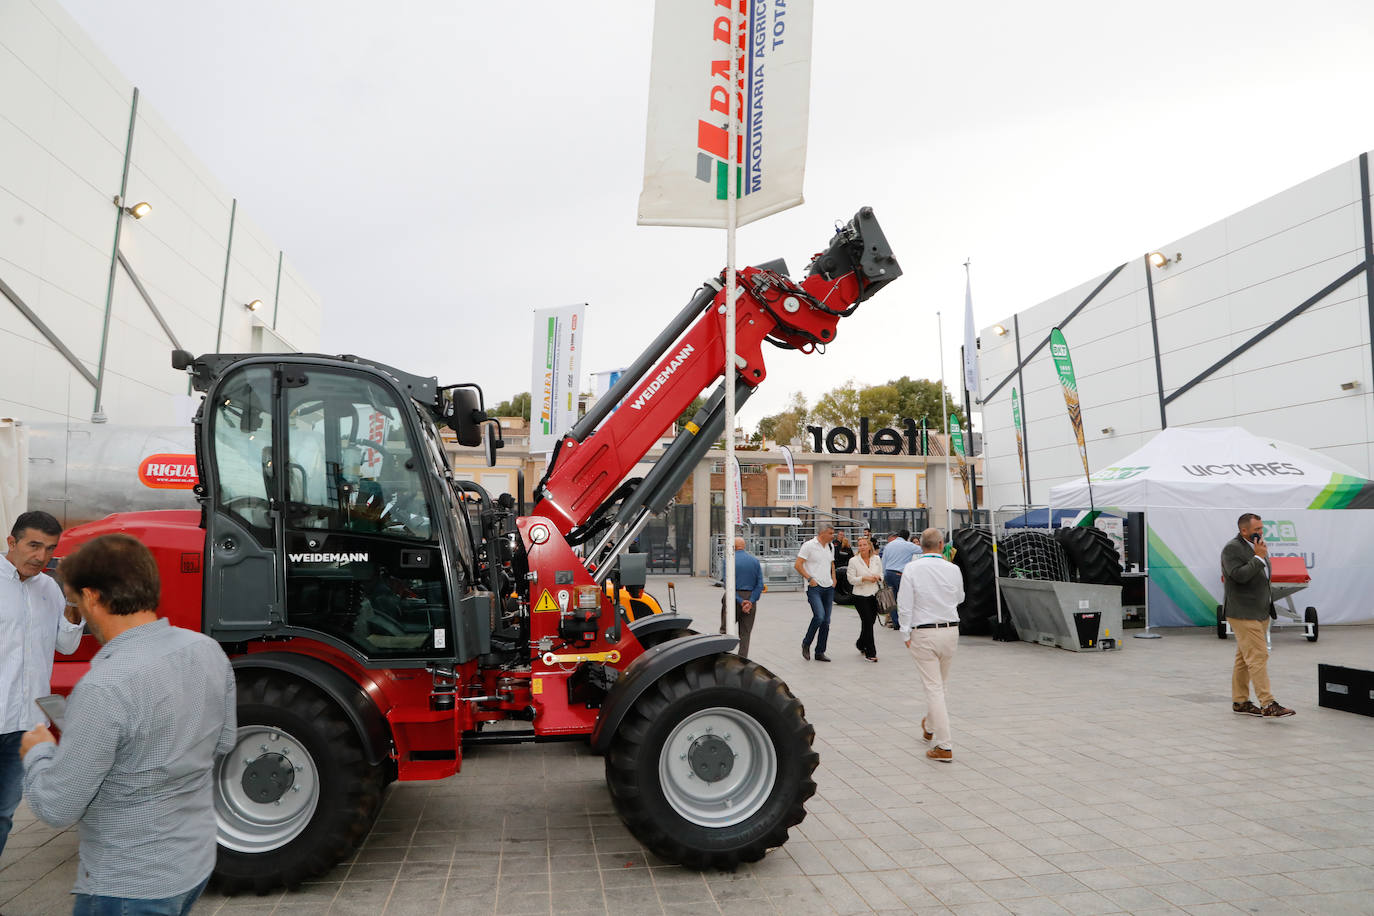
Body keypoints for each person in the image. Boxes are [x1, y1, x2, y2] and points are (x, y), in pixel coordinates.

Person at [21, 534, 236, 914]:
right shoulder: (207, 650)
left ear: (92, 597)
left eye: (74, 600)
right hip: (193, 861)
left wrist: (38, 751)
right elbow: (221, 743)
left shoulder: (105, 686)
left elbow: (57, 806)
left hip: (128, 885)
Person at [1, 510, 84, 859]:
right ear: (11, 542)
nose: (41, 557)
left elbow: (67, 645)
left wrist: (73, 602)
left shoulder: (49, 588)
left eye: (49, 549)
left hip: (24, 727)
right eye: (33, 546)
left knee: (4, 816)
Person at [898, 528, 965, 762]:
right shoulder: (953, 569)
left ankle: (944, 745)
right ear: (940, 544)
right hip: (950, 630)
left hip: (924, 632)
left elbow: (905, 603)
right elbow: (960, 598)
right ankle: (929, 724)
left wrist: (904, 632)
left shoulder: (912, 568)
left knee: (934, 687)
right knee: (940, 685)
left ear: (921, 545)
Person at [1222, 513, 1295, 718]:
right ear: (1244, 530)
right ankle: (1268, 703)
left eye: (1262, 529)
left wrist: (1258, 555)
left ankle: (1241, 701)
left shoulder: (1257, 546)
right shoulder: (1232, 548)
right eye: (1257, 529)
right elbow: (1239, 576)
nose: (1261, 533)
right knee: (1258, 656)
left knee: (1244, 659)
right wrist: (1258, 557)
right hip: (1243, 612)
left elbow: (1262, 577)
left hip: (1260, 611)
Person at [794, 525, 836, 661]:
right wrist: (809, 578)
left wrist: (834, 579)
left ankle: (820, 652)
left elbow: (832, 563)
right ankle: (806, 643)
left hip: (828, 587)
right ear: (822, 533)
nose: (832, 535)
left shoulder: (830, 546)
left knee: (826, 621)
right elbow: (798, 564)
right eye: (830, 533)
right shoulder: (809, 546)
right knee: (819, 616)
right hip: (814, 587)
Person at [720, 536, 764, 657]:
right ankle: (742, 659)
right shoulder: (755, 561)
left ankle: (723, 656)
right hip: (750, 598)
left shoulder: (728, 560)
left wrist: (740, 601)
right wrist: (750, 601)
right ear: (744, 546)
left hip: (732, 598)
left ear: (732, 547)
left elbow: (727, 584)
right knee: (745, 633)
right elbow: (760, 585)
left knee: (725, 630)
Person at [847, 536, 884, 662]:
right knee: (868, 622)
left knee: (869, 622)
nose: (862, 547)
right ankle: (870, 652)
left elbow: (882, 574)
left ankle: (860, 643)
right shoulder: (853, 560)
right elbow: (851, 579)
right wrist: (864, 578)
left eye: (864, 545)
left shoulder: (877, 559)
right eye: (860, 545)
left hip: (874, 594)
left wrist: (878, 577)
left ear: (869, 546)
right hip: (859, 596)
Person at [879, 530, 920, 629]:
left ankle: (896, 623)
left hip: (888, 573)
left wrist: (884, 576)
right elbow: (923, 550)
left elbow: (884, 561)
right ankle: (904, 622)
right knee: (902, 599)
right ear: (907, 537)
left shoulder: (889, 545)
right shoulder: (908, 545)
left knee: (892, 600)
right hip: (899, 574)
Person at [833, 533, 855, 603]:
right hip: (836, 566)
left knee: (846, 581)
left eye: (843, 535)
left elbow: (851, 556)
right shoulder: (834, 544)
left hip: (845, 567)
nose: (842, 536)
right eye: (840, 535)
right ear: (838, 535)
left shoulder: (848, 547)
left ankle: (847, 594)